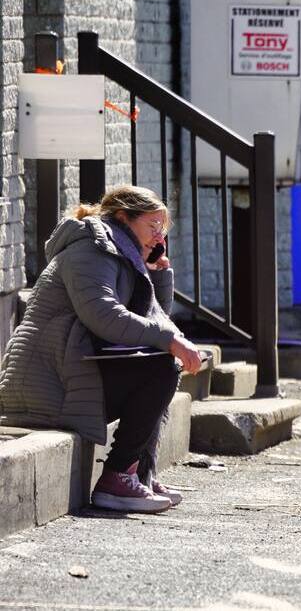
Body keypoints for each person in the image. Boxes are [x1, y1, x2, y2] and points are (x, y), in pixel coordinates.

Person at [0, 186, 204, 513]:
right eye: (152, 226)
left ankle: (138, 473)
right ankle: (117, 476)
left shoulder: (119, 254)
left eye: (162, 230)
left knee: (164, 362)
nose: (158, 238)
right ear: (124, 217)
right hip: (48, 383)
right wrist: (171, 341)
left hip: (73, 369)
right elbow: (104, 315)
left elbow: (154, 321)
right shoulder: (91, 250)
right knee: (161, 368)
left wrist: (158, 275)